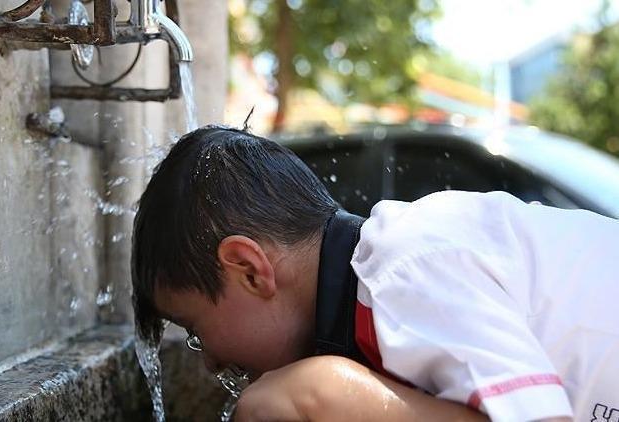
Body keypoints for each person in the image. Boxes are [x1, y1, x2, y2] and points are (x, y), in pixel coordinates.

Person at [131, 125, 619, 422]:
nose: (210, 363)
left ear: (249, 270)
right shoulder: (379, 304)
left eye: (195, 331)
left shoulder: (406, 266)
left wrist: (327, 392)